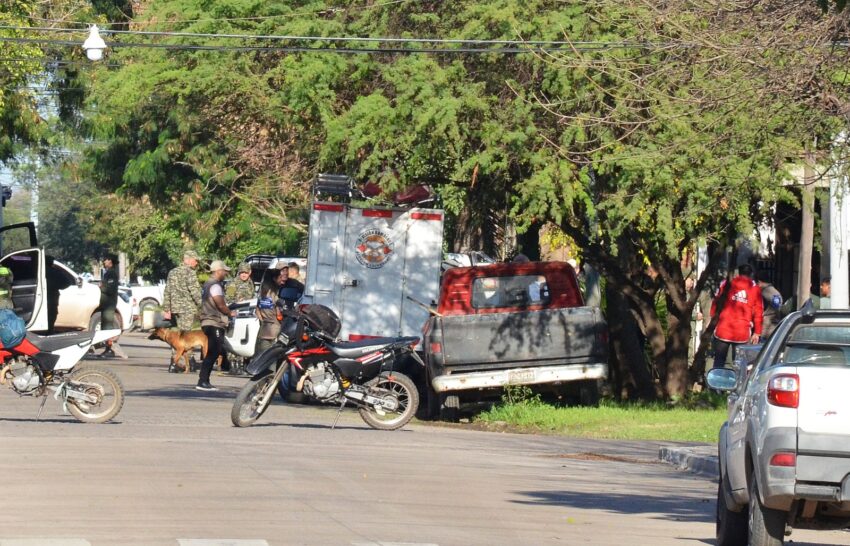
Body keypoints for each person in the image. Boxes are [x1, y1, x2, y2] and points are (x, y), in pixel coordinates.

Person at [710, 263, 763, 369]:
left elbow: (716, 301)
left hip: (723, 328)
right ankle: (736, 384)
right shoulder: (755, 289)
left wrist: (713, 317)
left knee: (719, 360)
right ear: (751, 274)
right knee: (739, 363)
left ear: (738, 272)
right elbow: (758, 312)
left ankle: (716, 383)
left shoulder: (727, 284)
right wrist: (757, 332)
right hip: (742, 332)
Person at [196, 260, 236, 391]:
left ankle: (204, 380)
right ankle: (202, 381)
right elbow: (220, 305)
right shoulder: (215, 286)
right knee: (214, 351)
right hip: (213, 321)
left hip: (207, 321)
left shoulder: (207, 284)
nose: (225, 273)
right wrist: (230, 313)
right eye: (224, 271)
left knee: (215, 350)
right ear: (219, 271)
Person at [162, 250, 202, 332]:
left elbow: (167, 291)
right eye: (196, 260)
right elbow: (195, 292)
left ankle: (176, 345)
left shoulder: (172, 272)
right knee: (185, 335)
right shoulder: (190, 272)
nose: (197, 263)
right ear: (189, 260)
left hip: (175, 309)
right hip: (187, 309)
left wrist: (166, 309)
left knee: (178, 334)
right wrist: (203, 305)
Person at [254, 263, 287, 355]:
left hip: (265, 329)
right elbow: (275, 313)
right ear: (274, 278)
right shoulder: (270, 293)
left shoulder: (265, 291)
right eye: (280, 278)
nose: (282, 280)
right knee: (268, 357)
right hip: (271, 332)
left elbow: (258, 310)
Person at [97, 255, 119, 357]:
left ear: (110, 261)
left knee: (108, 327)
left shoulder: (112, 273)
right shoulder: (107, 273)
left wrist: (101, 287)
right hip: (106, 304)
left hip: (109, 304)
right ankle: (107, 348)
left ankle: (110, 349)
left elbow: (110, 289)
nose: (104, 261)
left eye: (105, 259)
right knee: (104, 326)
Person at [757, 270, 783, 340]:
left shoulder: (765, 291)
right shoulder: (775, 292)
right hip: (773, 325)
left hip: (765, 326)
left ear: (759, 282)